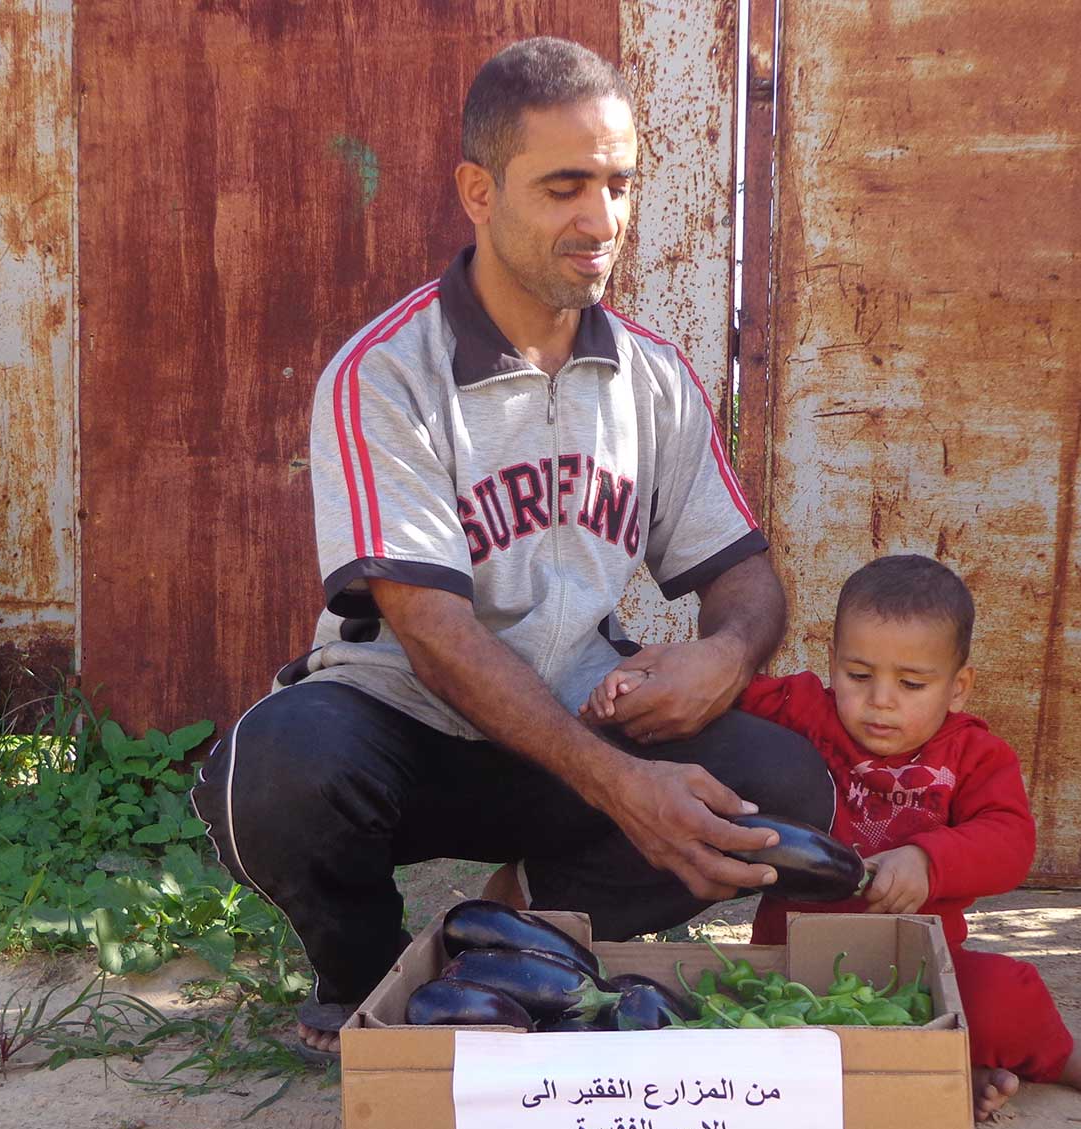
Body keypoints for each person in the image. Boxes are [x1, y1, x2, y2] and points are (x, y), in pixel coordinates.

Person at [190, 37, 834, 1055]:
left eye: (619, 184)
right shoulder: (386, 375)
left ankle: (511, 948)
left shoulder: (649, 377)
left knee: (784, 787)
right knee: (273, 770)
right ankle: (363, 977)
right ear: (478, 192)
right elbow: (433, 633)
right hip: (402, 721)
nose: (601, 220)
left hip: (575, 711)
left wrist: (722, 654)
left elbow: (740, 573)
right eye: (565, 186)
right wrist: (620, 783)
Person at [586, 554, 1081, 1119]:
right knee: (727, 1015)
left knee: (1004, 996)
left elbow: (1011, 840)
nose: (881, 700)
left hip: (919, 961)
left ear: (957, 687)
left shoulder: (974, 755)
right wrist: (642, 681)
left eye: (912, 683)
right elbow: (714, 696)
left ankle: (1054, 1056)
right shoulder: (802, 711)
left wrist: (929, 859)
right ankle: (939, 1069)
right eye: (858, 675)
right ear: (832, 664)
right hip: (790, 960)